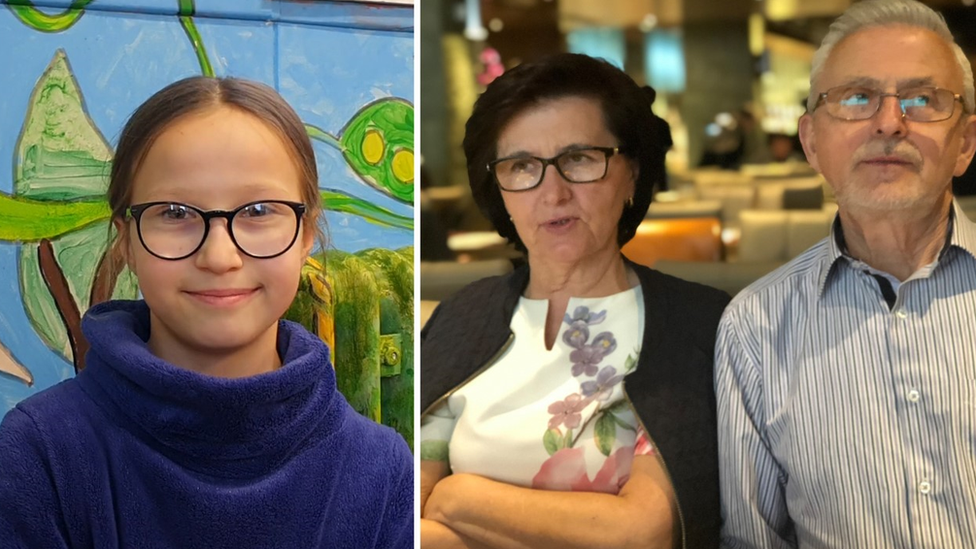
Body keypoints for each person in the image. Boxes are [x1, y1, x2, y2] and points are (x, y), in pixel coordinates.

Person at [0, 77, 413, 548]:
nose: (219, 257)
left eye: (259, 210)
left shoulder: (379, 469)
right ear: (127, 241)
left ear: (306, 236)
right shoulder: (40, 452)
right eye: (175, 213)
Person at [420, 53, 731, 549]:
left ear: (631, 173)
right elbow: (410, 509)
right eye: (522, 166)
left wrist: (461, 497)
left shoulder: (701, 326)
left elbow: (641, 533)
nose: (553, 192)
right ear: (500, 190)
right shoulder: (462, 315)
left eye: (579, 159)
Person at [715, 1, 976, 547]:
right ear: (811, 142)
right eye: (857, 98)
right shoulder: (755, 328)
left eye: (922, 100)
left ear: (966, 144)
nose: (888, 122)